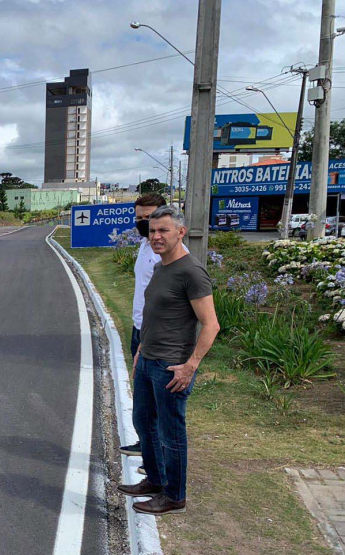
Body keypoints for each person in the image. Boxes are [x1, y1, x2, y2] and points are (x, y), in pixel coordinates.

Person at [117, 205, 220, 515]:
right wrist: (139, 352)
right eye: (152, 231)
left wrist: (191, 365)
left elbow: (211, 324)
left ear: (180, 232)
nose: (156, 236)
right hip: (148, 359)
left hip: (171, 367)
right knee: (143, 423)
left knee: (170, 433)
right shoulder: (161, 268)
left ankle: (174, 495)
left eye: (163, 230)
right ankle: (155, 479)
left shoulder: (191, 272)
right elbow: (154, 316)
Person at [118, 193, 167, 464]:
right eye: (139, 218)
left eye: (149, 217)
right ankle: (146, 446)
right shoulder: (144, 246)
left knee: (157, 400)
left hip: (156, 335)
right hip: (140, 329)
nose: (144, 223)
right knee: (143, 398)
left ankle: (157, 461)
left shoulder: (167, 253)